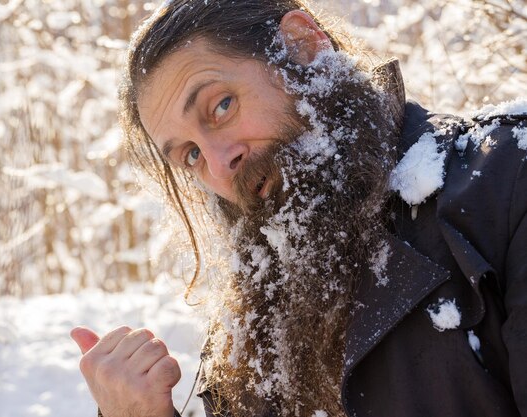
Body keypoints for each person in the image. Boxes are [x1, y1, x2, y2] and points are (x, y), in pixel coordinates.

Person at [70, 1, 527, 416]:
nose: (218, 164)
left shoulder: (507, 179)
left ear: (302, 45)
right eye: (190, 154)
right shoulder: (253, 316)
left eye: (222, 106)